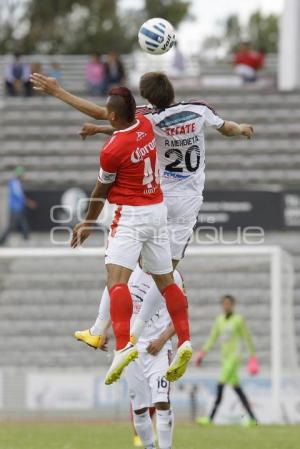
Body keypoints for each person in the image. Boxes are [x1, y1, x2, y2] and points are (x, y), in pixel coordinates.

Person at [30, 72, 253, 379]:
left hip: (156, 199)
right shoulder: (198, 109)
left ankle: (108, 332)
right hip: (188, 202)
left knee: (122, 268)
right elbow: (226, 128)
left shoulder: (150, 119)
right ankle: (140, 332)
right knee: (165, 274)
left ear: (148, 99)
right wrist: (242, 129)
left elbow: (111, 117)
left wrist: (60, 93)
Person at [59, 85, 192, 385]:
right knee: (166, 281)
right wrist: (99, 128)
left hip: (131, 215)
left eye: (108, 112)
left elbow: (100, 191)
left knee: (116, 280)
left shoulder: (112, 151)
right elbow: (122, 132)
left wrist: (87, 222)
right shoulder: (144, 123)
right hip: (158, 211)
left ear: (115, 116)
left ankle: (122, 346)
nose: (105, 113)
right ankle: (184, 340)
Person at [99, 262, 180, 449]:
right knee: (139, 409)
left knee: (161, 401)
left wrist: (161, 340)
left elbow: (181, 315)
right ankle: (149, 446)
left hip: (158, 351)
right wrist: (104, 329)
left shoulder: (172, 275)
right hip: (132, 350)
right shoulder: (127, 273)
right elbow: (119, 304)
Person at [194, 295, 259, 427]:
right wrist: (202, 353)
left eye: (228, 304)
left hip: (234, 358)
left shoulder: (238, 320)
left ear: (233, 305)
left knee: (220, 385)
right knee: (237, 389)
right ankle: (253, 419)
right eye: (224, 304)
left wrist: (253, 357)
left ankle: (210, 418)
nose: (226, 306)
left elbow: (247, 338)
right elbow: (212, 338)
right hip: (225, 359)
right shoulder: (219, 320)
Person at [0, 167, 36, 245]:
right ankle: (1, 240)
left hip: (18, 208)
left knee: (23, 223)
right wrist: (28, 202)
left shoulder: (17, 183)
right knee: (12, 226)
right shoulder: (15, 183)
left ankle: (26, 238)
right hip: (15, 208)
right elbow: (19, 195)